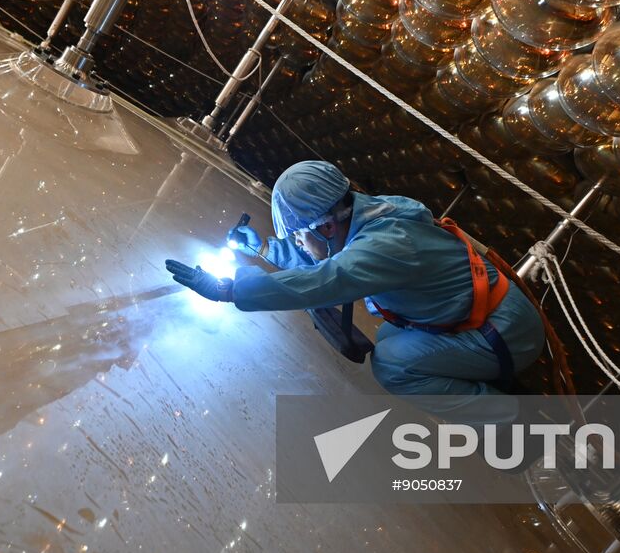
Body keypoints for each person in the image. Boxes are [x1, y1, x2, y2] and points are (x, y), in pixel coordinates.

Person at [165, 160, 545, 408]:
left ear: (327, 225)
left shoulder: (385, 244)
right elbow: (330, 259)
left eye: (299, 236)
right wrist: (265, 247)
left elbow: (329, 279)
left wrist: (232, 290)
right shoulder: (365, 216)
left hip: (503, 333)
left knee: (394, 366)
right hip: (483, 319)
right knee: (391, 342)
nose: (296, 242)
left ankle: (514, 426)